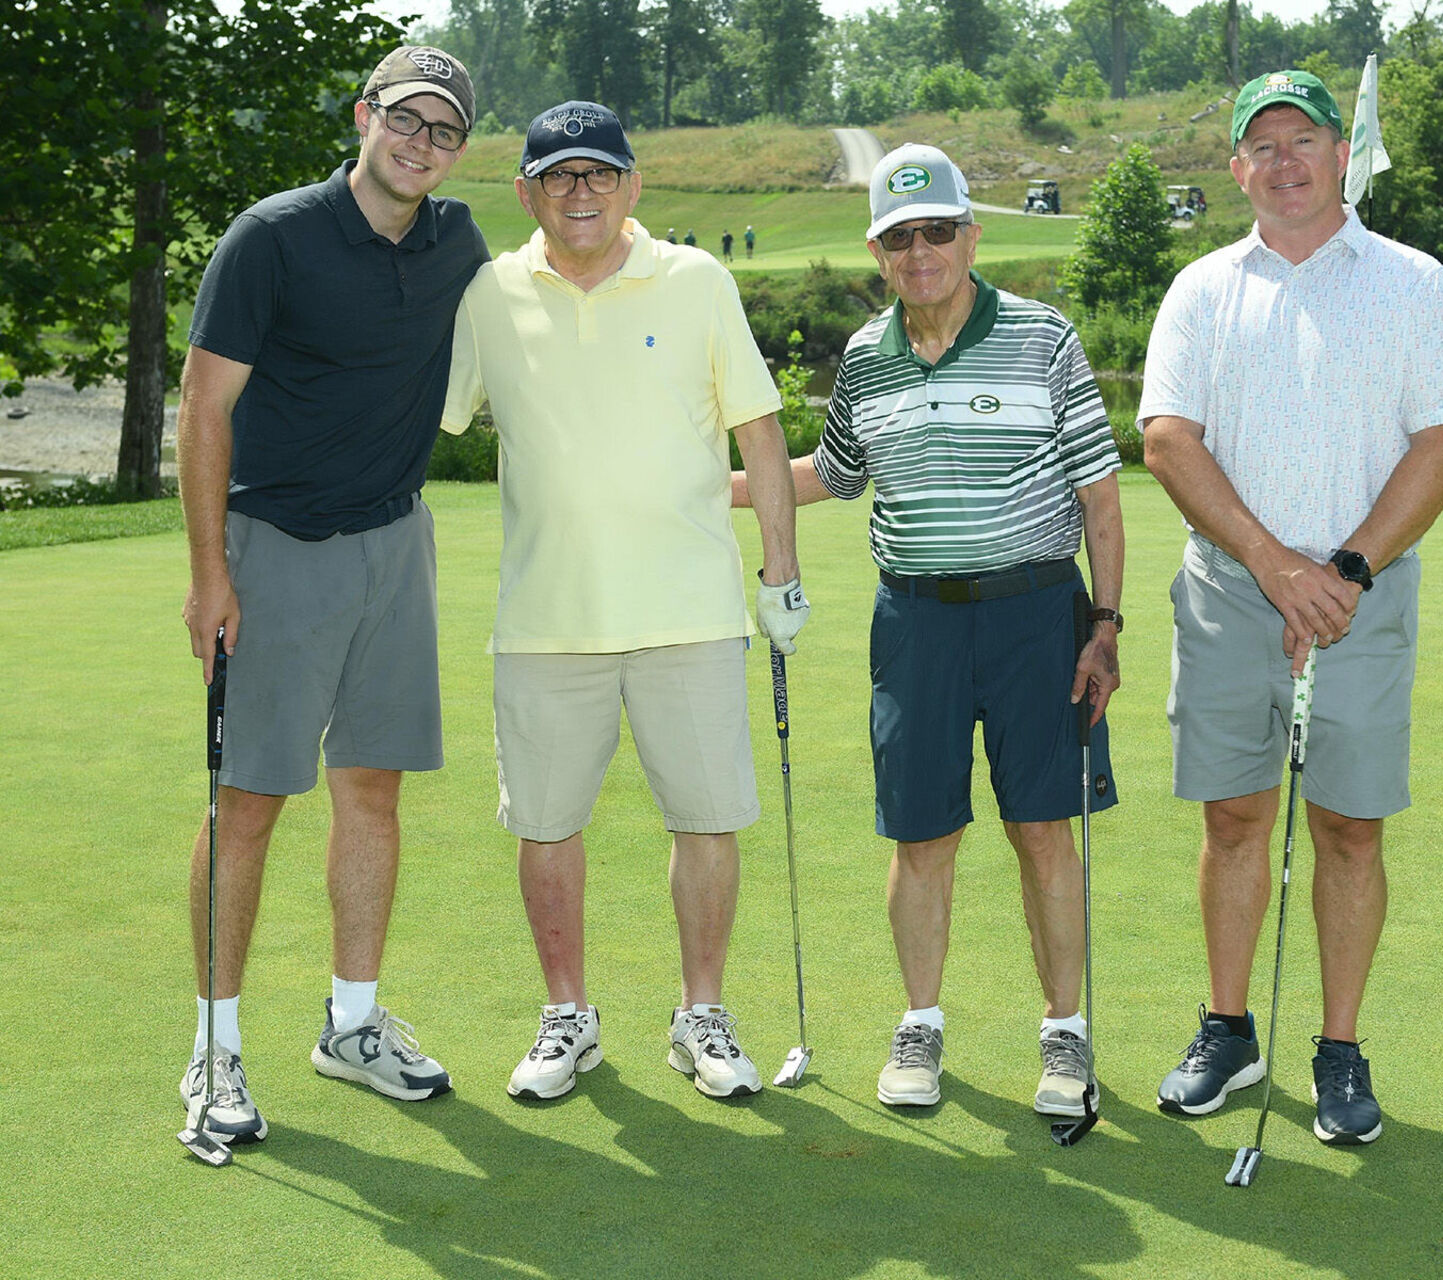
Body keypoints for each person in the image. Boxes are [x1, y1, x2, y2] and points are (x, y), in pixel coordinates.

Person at [734, 144, 1125, 1116]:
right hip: (914, 622)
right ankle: (920, 1025)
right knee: (920, 833)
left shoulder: (1043, 338)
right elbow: (831, 474)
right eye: (900, 237)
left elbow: (1101, 499)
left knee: (1042, 829)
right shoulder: (866, 356)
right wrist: (706, 485)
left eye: (937, 231)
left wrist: (1105, 625)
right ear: (877, 252)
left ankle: (1065, 1032)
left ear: (971, 237)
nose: (920, 252)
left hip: (1037, 613)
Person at [1139, 69, 1443, 1146]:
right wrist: (1275, 567)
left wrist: (1341, 571)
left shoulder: (1413, 282)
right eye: (1263, 145)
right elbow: (1168, 440)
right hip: (1228, 592)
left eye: (1304, 140)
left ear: (1343, 153)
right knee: (1234, 815)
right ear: (1236, 167)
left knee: (1346, 824)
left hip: (1361, 597)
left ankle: (1339, 1049)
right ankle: (1228, 1030)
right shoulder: (1202, 288)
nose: (1284, 160)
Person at [442, 101, 808, 1102]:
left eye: (599, 173)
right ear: (526, 192)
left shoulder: (697, 280)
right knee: (546, 825)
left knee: (707, 819)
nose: (581, 191)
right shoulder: (488, 293)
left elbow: (759, 430)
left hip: (689, 614)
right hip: (545, 618)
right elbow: (423, 411)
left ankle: (701, 1013)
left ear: (632, 185)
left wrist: (781, 570)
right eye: (559, 175)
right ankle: (568, 1014)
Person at [175, 46, 489, 1147]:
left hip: (397, 545)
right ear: (364, 116)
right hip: (276, 548)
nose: (420, 143)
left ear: (459, 151)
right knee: (250, 800)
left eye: (443, 130)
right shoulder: (272, 236)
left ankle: (352, 1024)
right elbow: (203, 406)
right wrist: (210, 573)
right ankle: (214, 1046)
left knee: (374, 790)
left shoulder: (457, 241)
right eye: (405, 118)